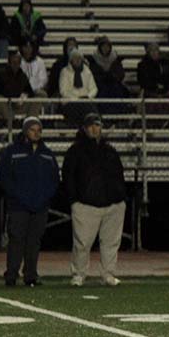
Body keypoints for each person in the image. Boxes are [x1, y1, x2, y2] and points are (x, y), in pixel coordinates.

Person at [63, 113, 127, 287]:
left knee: (111, 243)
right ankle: (79, 274)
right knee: (82, 243)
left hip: (112, 203)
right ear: (84, 128)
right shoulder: (75, 151)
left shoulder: (109, 150)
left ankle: (108, 274)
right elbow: (68, 177)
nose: (94, 129)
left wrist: (120, 197)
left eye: (97, 125)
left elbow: (119, 175)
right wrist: (74, 200)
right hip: (85, 204)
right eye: (91, 125)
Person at [0, 116, 59, 287]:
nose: (36, 133)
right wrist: (16, 195)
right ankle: (11, 275)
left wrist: (45, 197)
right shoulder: (12, 151)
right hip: (18, 205)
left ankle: (30, 275)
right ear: (25, 131)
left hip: (40, 206)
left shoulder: (47, 153)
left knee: (34, 242)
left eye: (39, 130)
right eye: (32, 129)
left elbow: (54, 179)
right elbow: (3, 176)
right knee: (16, 241)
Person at [0, 49, 32, 126]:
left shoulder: (23, 76)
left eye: (18, 63)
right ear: (9, 63)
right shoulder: (0, 74)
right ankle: (13, 124)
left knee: (36, 100)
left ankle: (28, 125)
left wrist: (24, 96)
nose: (16, 65)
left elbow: (29, 91)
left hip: (19, 105)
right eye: (14, 63)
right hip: (6, 104)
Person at [59, 49, 98, 126]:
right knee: (83, 108)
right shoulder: (65, 72)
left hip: (85, 100)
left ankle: (97, 125)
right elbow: (63, 91)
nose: (77, 60)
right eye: (75, 58)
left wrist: (87, 97)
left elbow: (94, 88)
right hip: (70, 102)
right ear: (71, 60)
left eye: (79, 58)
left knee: (89, 107)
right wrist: (76, 99)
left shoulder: (87, 71)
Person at [88, 36, 130, 105]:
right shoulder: (94, 60)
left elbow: (121, 75)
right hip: (100, 86)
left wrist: (112, 77)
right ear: (100, 48)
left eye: (107, 46)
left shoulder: (116, 60)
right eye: (103, 46)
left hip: (114, 85)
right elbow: (93, 75)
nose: (105, 48)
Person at [18, 42, 48, 117]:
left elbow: (43, 80)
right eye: (25, 47)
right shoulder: (18, 61)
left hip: (36, 91)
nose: (27, 50)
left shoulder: (40, 62)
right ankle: (30, 122)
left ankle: (30, 121)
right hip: (22, 93)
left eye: (29, 47)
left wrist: (32, 89)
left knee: (40, 96)